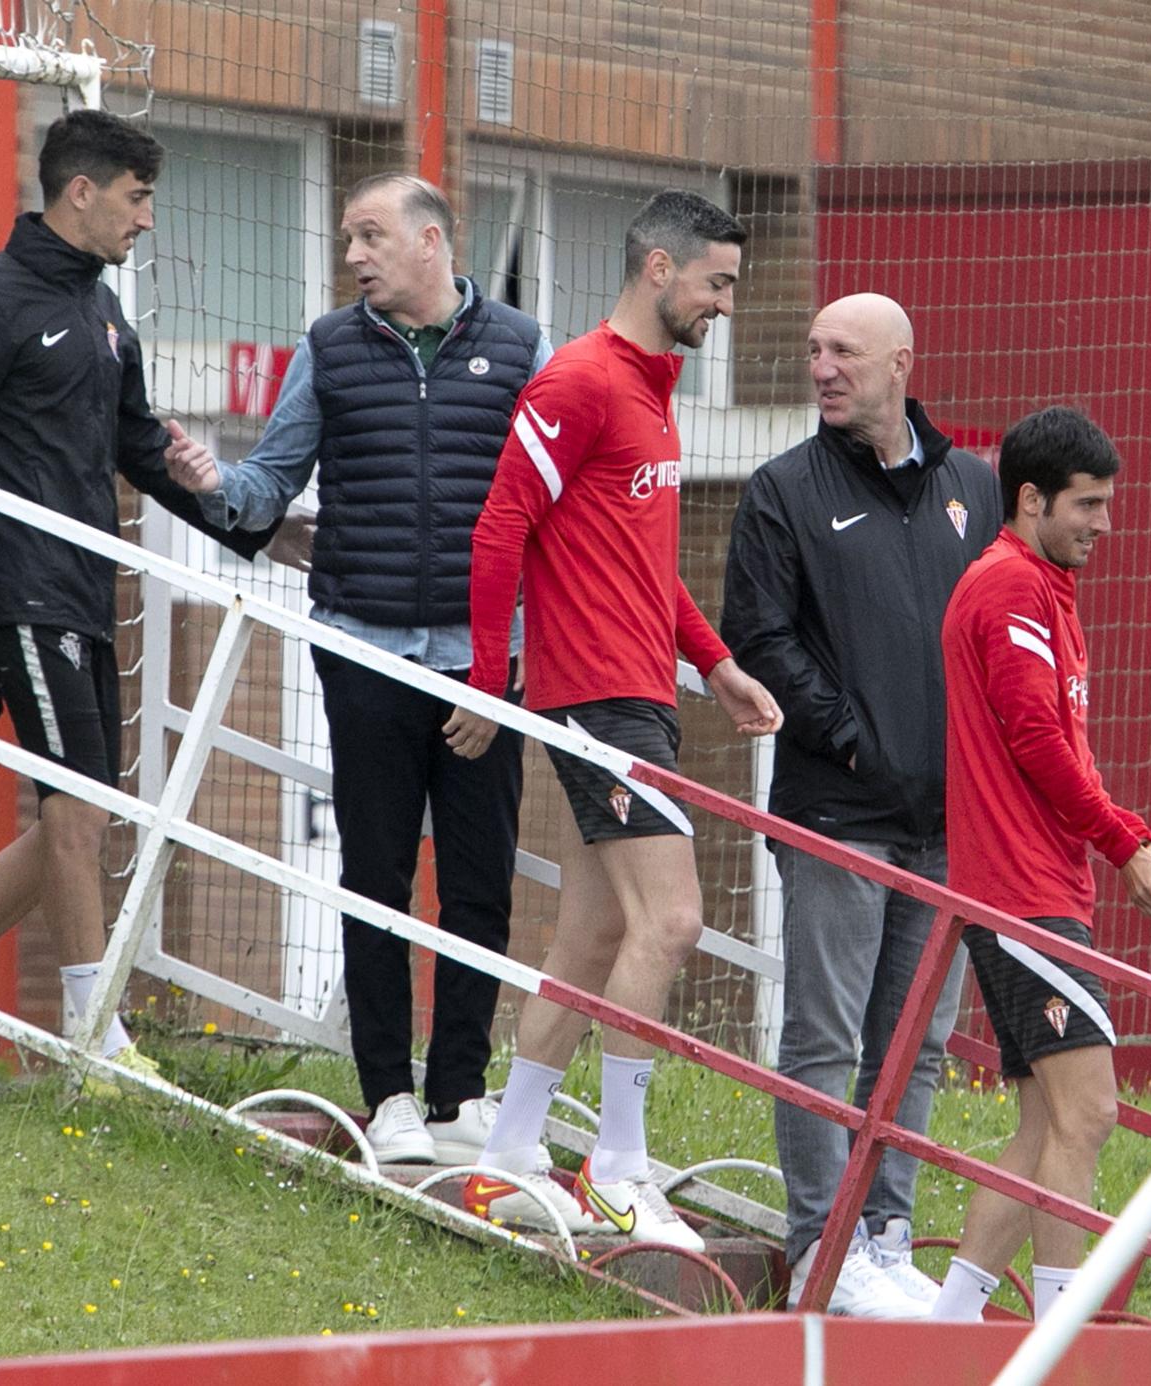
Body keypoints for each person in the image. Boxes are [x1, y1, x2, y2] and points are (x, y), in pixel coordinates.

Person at [163, 173, 549, 1166]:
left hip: (478, 664)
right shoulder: (328, 348)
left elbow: (551, 514)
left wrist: (502, 666)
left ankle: (459, 1093)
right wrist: (215, 483)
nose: (353, 256)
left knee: (477, 881)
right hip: (362, 649)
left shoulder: (518, 346)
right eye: (345, 239)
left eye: (369, 236)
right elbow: (267, 487)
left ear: (431, 241)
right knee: (373, 876)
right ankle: (388, 1098)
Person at [0, 110, 286, 1087]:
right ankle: (95, 1034)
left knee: (74, 817)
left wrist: (234, 516)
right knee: (76, 807)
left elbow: (137, 449)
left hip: (89, 592)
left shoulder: (106, 314)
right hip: (12, 594)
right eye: (137, 199)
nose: (147, 222)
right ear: (80, 191)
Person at [453, 189, 782, 1247]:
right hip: (593, 697)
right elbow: (501, 525)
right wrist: (481, 679)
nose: (724, 303)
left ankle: (507, 1153)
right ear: (656, 269)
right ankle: (616, 1166)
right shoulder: (581, 379)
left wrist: (717, 664)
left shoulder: (650, 388)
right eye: (714, 283)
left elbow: (639, 564)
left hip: (640, 688)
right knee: (672, 921)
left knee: (595, 931)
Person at [720, 293, 1000, 1316]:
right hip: (835, 816)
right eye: (810, 351)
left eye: (841, 351)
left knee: (912, 1046)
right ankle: (816, 1251)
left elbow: (999, 634)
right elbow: (757, 634)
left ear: (899, 364)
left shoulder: (973, 485)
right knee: (826, 1041)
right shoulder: (778, 490)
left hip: (945, 828)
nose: (821, 367)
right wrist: (850, 737)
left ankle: (881, 1238)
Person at [930, 405, 1151, 1322]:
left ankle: (948, 1328)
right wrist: (1125, 840)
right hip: (1022, 898)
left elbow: (1058, 744)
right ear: (1031, 499)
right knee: (1091, 1114)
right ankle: (1059, 1333)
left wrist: (1115, 840)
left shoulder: (1042, 588)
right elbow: (1038, 740)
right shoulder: (1006, 587)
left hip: (1037, 892)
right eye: (1087, 504)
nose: (1103, 524)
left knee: (1044, 1124)